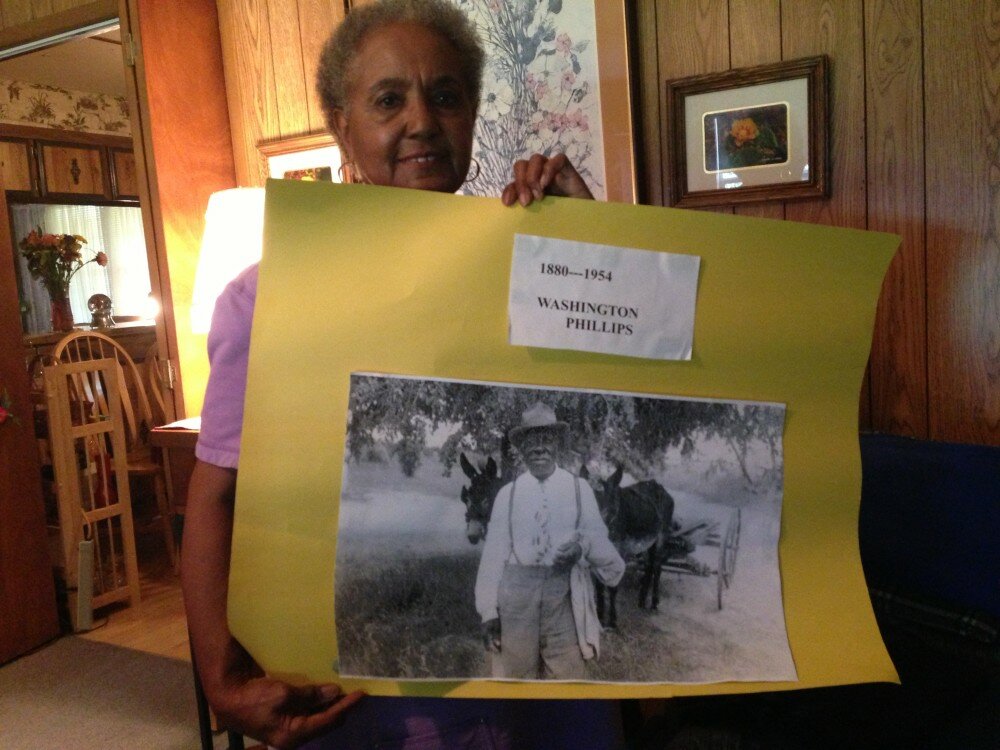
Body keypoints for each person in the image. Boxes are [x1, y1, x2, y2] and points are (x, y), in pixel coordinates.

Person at [181, 1, 621, 748]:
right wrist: (219, 679)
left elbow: (624, 377)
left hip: (544, 697)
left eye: (445, 95)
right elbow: (216, 498)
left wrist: (596, 247)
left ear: (472, 115)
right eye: (389, 99)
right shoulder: (269, 296)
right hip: (357, 698)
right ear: (342, 126)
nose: (421, 119)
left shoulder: (540, 270)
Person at [475, 403, 625, 679]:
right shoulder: (508, 495)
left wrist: (581, 549)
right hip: (515, 603)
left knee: (568, 682)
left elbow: (600, 545)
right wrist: (488, 612)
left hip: (563, 601)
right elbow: (493, 558)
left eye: (546, 439)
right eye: (531, 441)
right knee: (515, 686)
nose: (539, 448)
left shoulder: (579, 490)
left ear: (557, 445)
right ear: (521, 449)